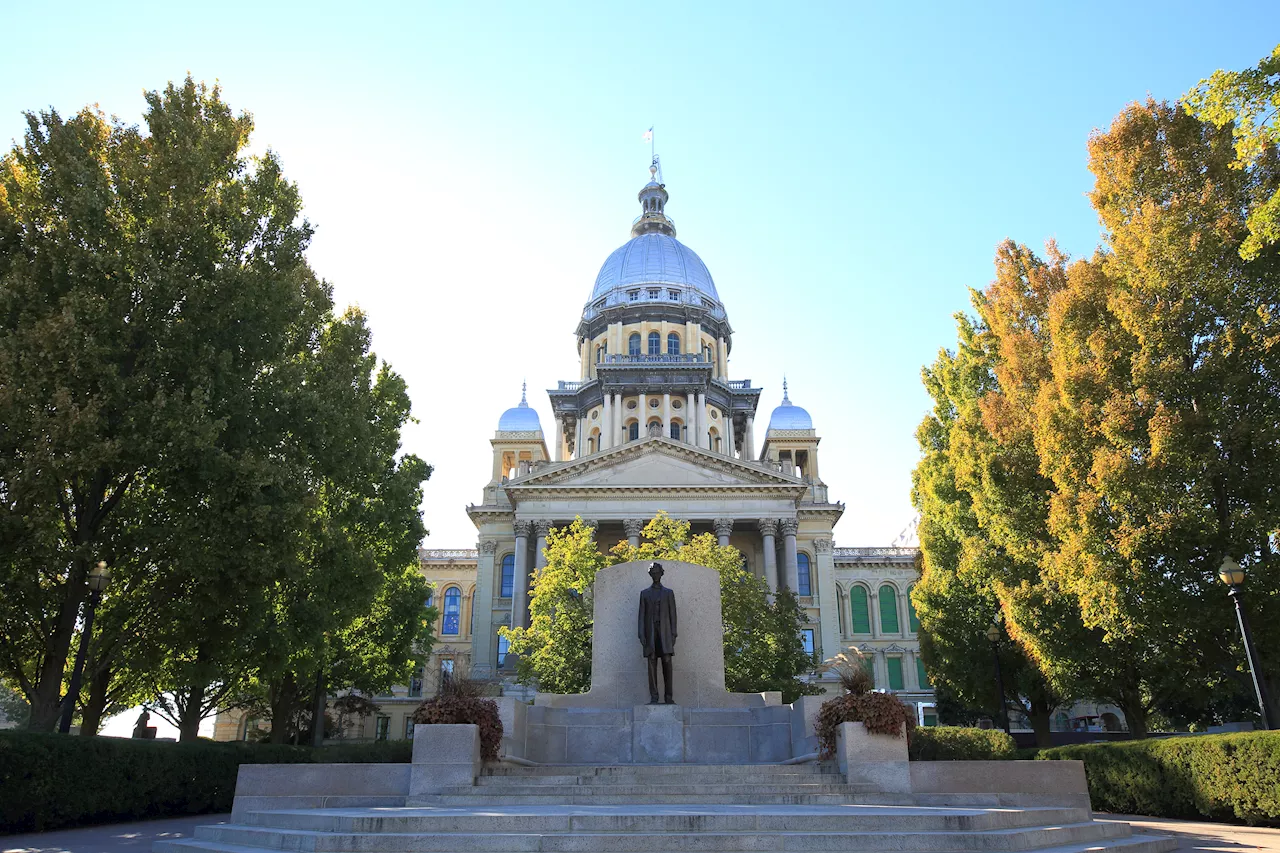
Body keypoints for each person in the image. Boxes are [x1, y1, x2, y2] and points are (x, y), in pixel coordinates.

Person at [637, 561, 677, 704]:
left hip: (665, 633)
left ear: (662, 573)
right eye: (653, 573)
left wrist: (673, 634)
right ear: (650, 575)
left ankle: (668, 697)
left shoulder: (668, 593)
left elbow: (673, 615)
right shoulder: (645, 594)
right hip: (650, 633)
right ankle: (654, 697)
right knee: (652, 663)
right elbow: (641, 616)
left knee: (667, 662)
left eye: (657, 573)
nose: (655, 575)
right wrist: (641, 634)